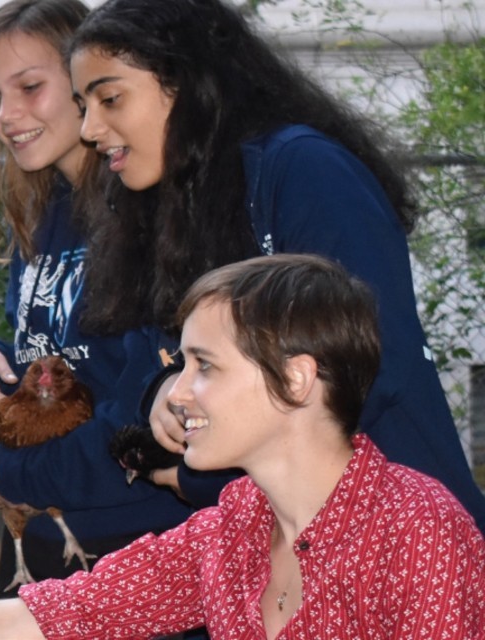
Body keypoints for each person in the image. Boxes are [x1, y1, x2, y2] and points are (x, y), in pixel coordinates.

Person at [66, 0, 485, 533]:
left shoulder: (302, 171)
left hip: (398, 545)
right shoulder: (163, 205)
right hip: (272, 544)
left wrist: (205, 477)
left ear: (188, 82)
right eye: (84, 105)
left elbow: (370, 368)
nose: (89, 128)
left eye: (110, 98)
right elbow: (140, 359)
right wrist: (160, 392)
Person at [0, 254, 485, 639]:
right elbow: (49, 618)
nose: (177, 394)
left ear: (295, 380)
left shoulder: (416, 531)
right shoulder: (234, 526)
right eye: (180, 364)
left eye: (204, 367)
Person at [0, 0, 194, 595]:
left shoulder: (150, 210)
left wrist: (15, 470)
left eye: (30, 87)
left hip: (143, 545)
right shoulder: (39, 215)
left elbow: (146, 401)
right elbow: (62, 360)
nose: (7, 116)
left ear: (87, 85)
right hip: (51, 536)